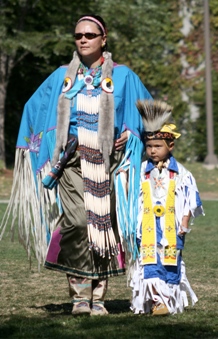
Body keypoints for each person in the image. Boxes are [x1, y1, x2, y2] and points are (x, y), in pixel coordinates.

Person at [1, 14, 152, 316]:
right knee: (78, 222)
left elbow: (150, 113)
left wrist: (130, 134)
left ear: (103, 39)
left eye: (89, 35)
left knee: (102, 228)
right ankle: (79, 293)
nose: (83, 39)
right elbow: (35, 108)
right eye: (78, 35)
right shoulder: (61, 77)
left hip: (108, 164)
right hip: (70, 163)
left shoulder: (123, 77)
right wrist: (45, 144)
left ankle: (98, 297)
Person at [116, 99, 204, 315]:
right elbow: (126, 186)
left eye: (157, 146)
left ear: (170, 146)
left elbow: (190, 199)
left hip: (171, 229)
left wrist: (184, 223)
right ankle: (157, 301)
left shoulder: (181, 173)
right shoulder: (142, 169)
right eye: (149, 146)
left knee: (170, 262)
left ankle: (167, 300)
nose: (152, 151)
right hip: (146, 226)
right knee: (149, 262)